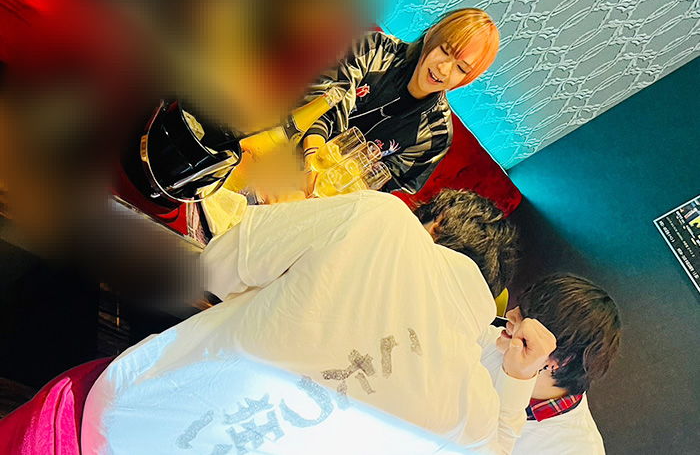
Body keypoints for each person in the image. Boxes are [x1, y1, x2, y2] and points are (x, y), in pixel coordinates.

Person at [81, 190, 554, 455]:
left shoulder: (384, 218)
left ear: (436, 222)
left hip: (118, 422)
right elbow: (497, 447)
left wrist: (279, 297)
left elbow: (217, 264)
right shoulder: (473, 402)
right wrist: (518, 377)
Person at [301, 8, 500, 194]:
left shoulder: (436, 135)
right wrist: (311, 168)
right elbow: (322, 102)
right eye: (445, 51)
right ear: (431, 34)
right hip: (297, 141)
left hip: (333, 195)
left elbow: (381, 187)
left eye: (461, 68)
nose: (444, 69)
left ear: (466, 79)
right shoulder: (375, 50)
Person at [479, 275, 622, 455]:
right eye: (520, 306)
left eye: (527, 318)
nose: (510, 314)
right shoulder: (490, 340)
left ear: (559, 361)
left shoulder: (577, 449)